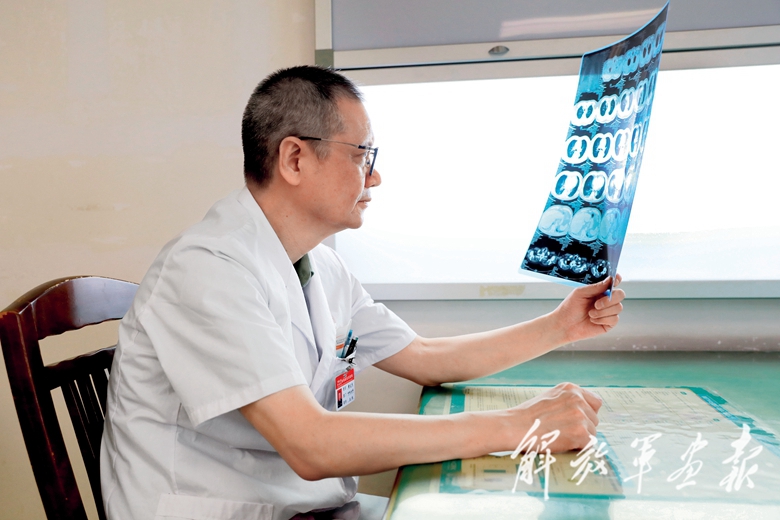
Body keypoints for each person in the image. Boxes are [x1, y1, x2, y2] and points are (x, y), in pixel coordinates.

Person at [100, 65, 625, 520]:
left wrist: (561, 326)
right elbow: (310, 443)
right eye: (362, 154)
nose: (375, 177)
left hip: (296, 506)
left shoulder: (320, 265)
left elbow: (425, 357)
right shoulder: (207, 269)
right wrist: (519, 425)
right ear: (295, 159)